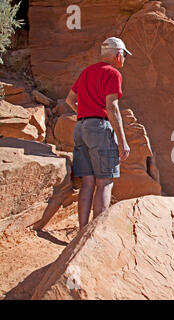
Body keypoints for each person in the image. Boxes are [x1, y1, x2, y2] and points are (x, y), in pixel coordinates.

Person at [64, 37, 131, 230]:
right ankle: (96, 235)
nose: (124, 59)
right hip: (99, 129)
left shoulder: (87, 72)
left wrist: (85, 113)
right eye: (124, 55)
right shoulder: (113, 74)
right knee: (105, 182)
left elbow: (70, 99)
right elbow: (112, 106)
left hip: (81, 127)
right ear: (118, 55)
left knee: (87, 182)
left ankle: (82, 231)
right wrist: (123, 141)